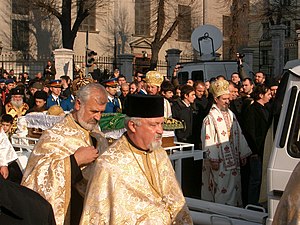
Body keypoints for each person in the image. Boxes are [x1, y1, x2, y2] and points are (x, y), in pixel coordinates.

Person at [79, 94, 193, 225]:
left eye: (161, 124)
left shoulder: (159, 153)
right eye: (154, 125)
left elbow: (176, 199)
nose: (160, 131)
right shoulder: (109, 164)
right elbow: (96, 218)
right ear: (133, 126)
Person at [22, 83, 108, 225]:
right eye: (94, 111)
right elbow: (36, 178)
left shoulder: (98, 136)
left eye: (101, 112)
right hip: (71, 211)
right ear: (78, 104)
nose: (98, 117)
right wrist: (74, 161)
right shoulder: (55, 135)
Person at [201, 79, 252, 207]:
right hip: (219, 162)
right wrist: (213, 159)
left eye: (228, 98)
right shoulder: (210, 118)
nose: (227, 101)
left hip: (233, 160)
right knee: (221, 190)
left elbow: (239, 134)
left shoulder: (231, 114)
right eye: (224, 99)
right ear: (216, 99)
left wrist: (242, 153)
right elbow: (208, 139)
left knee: (235, 188)